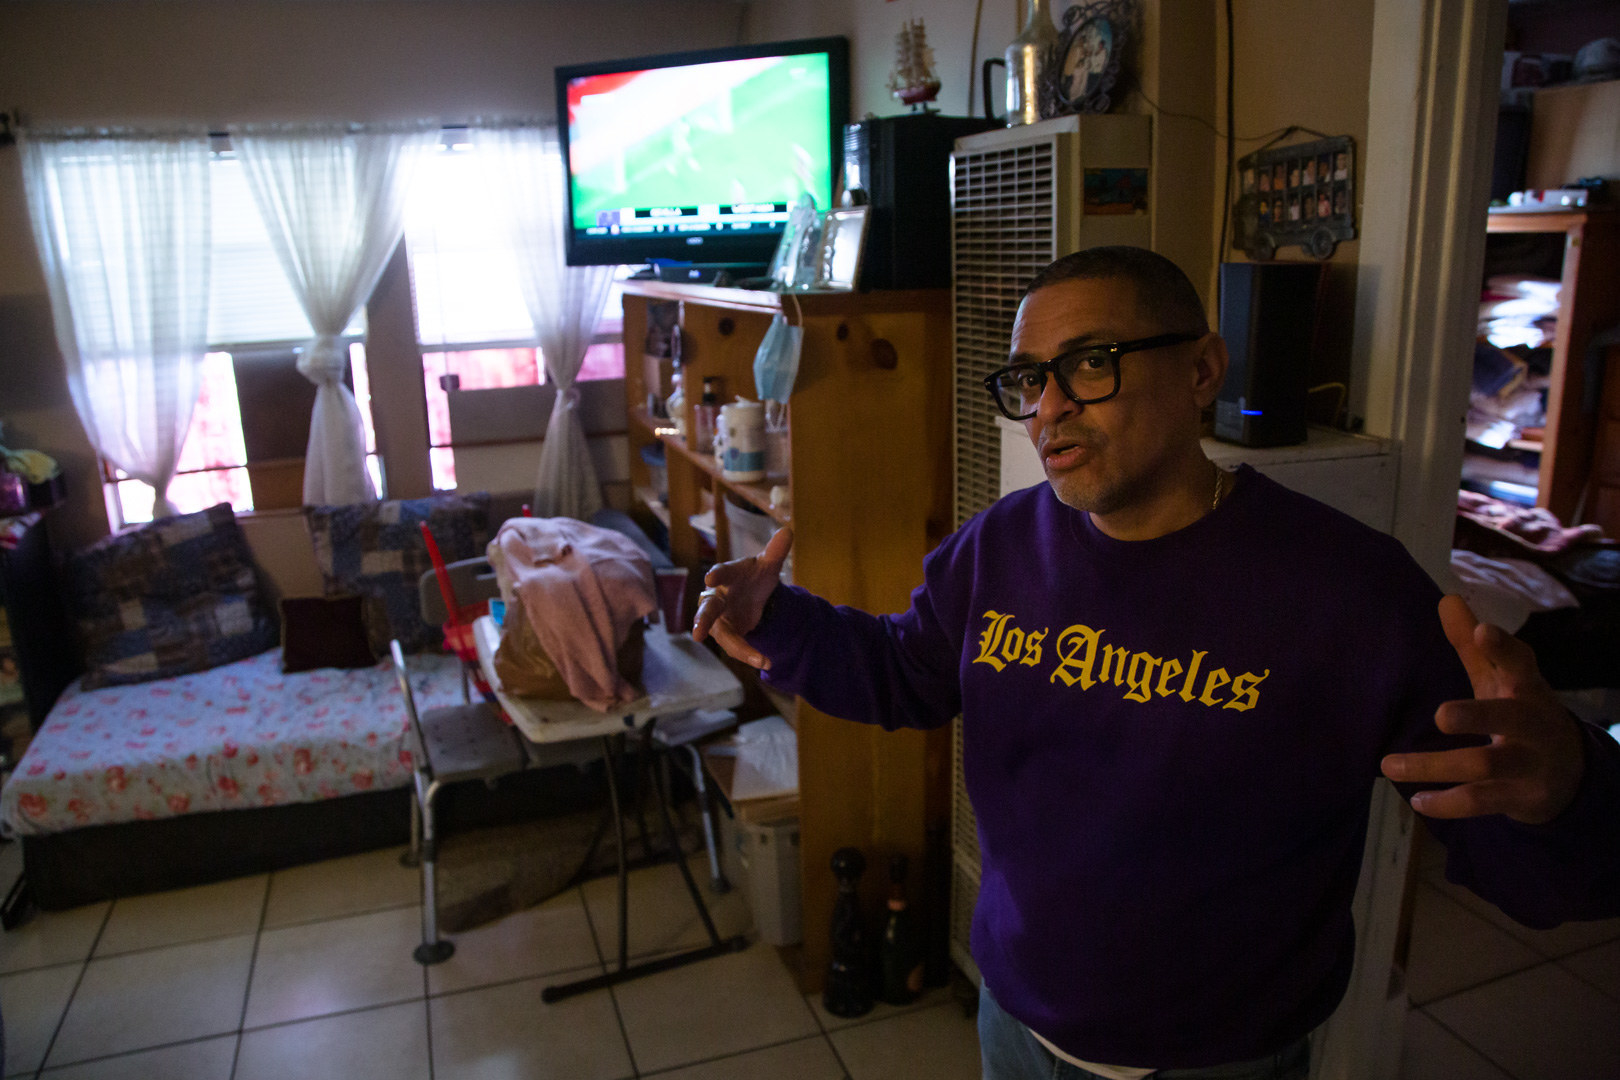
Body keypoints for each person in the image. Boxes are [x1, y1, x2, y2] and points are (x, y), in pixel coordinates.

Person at [693, 246, 1620, 1080]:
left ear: (1202, 369)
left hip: (1220, 1058)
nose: (1049, 406)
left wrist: (1569, 784)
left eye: (1089, 364)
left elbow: (1512, 821)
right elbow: (907, 668)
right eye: (1028, 378)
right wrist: (781, 619)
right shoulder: (1003, 545)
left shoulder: (1350, 592)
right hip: (1016, 1025)